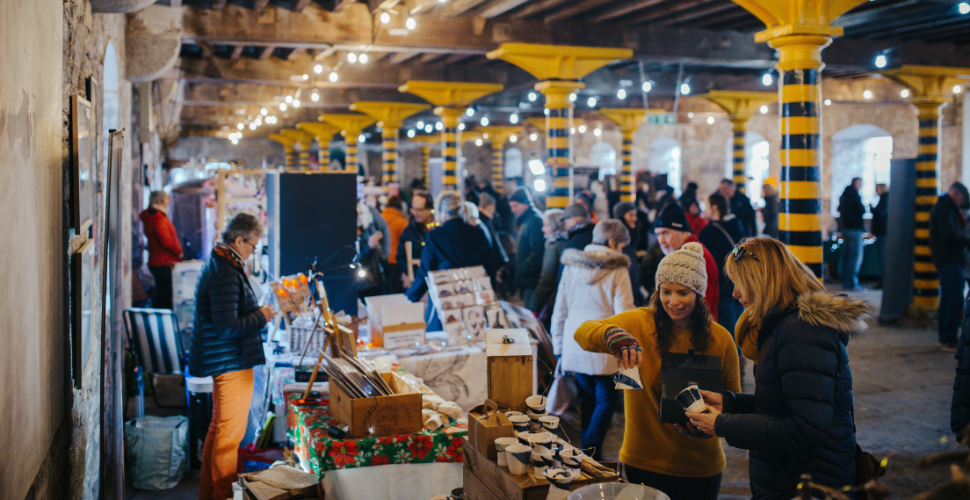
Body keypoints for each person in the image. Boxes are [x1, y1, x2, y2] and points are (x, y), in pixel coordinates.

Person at [687, 237, 868, 500]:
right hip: (791, 476)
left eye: (739, 282)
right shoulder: (785, 325)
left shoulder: (801, 331)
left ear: (761, 280)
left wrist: (722, 424)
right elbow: (784, 404)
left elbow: (805, 428)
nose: (735, 293)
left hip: (808, 481)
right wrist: (730, 404)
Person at [573, 242, 740, 500]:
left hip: (701, 467)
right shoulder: (639, 323)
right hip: (643, 461)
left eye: (683, 293)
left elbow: (734, 404)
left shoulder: (720, 338)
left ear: (699, 292)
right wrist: (611, 334)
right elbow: (582, 332)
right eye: (665, 292)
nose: (673, 302)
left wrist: (713, 424)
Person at [191, 213, 275, 500]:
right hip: (231, 361)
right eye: (253, 246)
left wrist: (255, 313)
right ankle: (223, 495)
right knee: (228, 439)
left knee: (219, 432)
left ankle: (209, 494)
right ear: (238, 240)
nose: (254, 252)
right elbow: (227, 328)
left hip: (228, 359)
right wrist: (262, 317)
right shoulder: (225, 270)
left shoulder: (224, 263)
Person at [552, 220, 637, 459]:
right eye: (621, 245)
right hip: (604, 341)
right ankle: (590, 448)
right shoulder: (618, 269)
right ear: (612, 242)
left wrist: (559, 346)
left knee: (588, 397)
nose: (621, 251)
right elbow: (625, 313)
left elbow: (560, 309)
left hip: (575, 340)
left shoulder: (571, 266)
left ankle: (590, 453)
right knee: (607, 399)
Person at [406, 192, 498, 330]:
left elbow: (424, 274)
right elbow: (490, 268)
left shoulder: (435, 236)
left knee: (442, 343)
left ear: (442, 212)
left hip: (446, 303)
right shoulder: (478, 234)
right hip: (474, 302)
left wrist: (407, 300)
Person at [653, 203, 719, 320]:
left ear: (683, 232)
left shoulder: (696, 258)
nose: (661, 241)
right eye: (658, 234)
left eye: (665, 233)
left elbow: (703, 305)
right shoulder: (681, 256)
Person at [930, 182, 970, 350]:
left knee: (948, 299)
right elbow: (951, 235)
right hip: (949, 259)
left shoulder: (945, 207)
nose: (961, 203)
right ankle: (948, 339)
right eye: (961, 199)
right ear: (955, 194)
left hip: (947, 258)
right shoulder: (945, 209)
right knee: (954, 300)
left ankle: (945, 337)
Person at [698, 194, 745, 335]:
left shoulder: (709, 232)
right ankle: (740, 354)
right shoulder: (736, 225)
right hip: (738, 279)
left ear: (715, 207)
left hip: (721, 283)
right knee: (739, 324)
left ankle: (733, 355)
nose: (704, 211)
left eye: (706, 207)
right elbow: (739, 248)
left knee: (728, 330)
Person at [140, 190, 183, 309]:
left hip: (156, 261)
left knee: (162, 294)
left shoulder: (151, 217)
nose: (168, 202)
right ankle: (164, 323)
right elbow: (166, 241)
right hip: (163, 262)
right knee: (165, 296)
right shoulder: (158, 218)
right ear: (159, 201)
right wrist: (178, 252)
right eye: (166, 199)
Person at [508, 187, 545, 307]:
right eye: (511, 207)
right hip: (528, 279)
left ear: (525, 204)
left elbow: (537, 252)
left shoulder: (534, 221)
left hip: (532, 280)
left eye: (515, 206)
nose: (513, 210)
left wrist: (523, 269)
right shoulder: (527, 220)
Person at [528, 209, 568, 316]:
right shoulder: (566, 243)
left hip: (553, 299)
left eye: (546, 226)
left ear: (556, 226)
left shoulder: (554, 247)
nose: (542, 229)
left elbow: (547, 278)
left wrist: (534, 305)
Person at [396, 190, 432, 289]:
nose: (415, 213)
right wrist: (412, 272)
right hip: (416, 282)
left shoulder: (436, 230)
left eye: (419, 209)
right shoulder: (408, 232)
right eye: (413, 209)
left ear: (429, 209)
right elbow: (401, 257)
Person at [613, 201, 646, 306]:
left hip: (633, 287)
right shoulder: (619, 241)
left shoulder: (633, 236)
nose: (635, 218)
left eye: (635, 215)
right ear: (621, 217)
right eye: (630, 215)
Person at [838, 177, 867, 291]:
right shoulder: (855, 195)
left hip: (845, 229)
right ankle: (853, 283)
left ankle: (845, 282)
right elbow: (861, 210)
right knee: (855, 257)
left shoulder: (843, 196)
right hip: (854, 230)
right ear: (856, 183)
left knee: (847, 256)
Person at [381, 195, 408, 293]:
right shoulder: (402, 221)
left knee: (385, 286)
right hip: (395, 259)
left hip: (382, 258)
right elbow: (406, 241)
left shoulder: (380, 217)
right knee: (395, 287)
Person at [870, 183, 889, 288]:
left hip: (883, 232)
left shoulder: (885, 198)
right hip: (882, 232)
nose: (875, 191)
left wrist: (872, 209)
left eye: (876, 188)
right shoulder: (884, 198)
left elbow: (880, 213)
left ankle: (884, 282)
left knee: (883, 258)